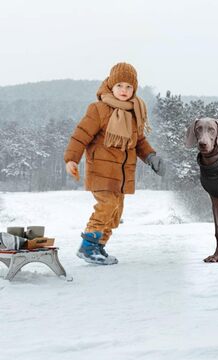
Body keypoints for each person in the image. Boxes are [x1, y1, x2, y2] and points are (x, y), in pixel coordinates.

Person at [64, 62, 165, 265]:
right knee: (107, 205)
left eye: (129, 87)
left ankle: (99, 246)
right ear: (111, 85)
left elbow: (139, 142)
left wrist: (151, 157)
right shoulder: (99, 109)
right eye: (119, 85)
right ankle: (87, 247)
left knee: (115, 212)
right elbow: (80, 135)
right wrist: (72, 159)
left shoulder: (134, 111)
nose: (124, 91)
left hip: (121, 175)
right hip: (101, 171)